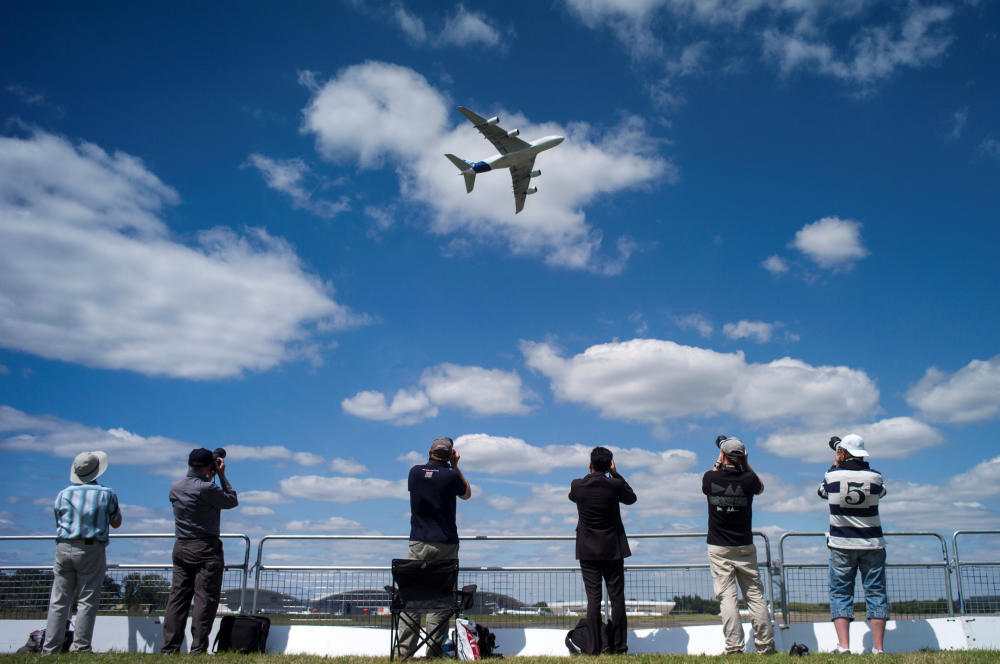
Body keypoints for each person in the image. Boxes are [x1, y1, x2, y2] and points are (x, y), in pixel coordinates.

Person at [396, 437, 472, 658]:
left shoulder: (415, 472)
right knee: (441, 597)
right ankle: (433, 650)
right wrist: (456, 466)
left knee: (413, 595)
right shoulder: (451, 476)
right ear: (451, 455)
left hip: (419, 540)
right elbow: (466, 493)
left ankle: (404, 651)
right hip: (446, 542)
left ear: (429, 452)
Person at [43, 451, 123, 654]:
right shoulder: (106, 494)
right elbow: (116, 522)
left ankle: (50, 647)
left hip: (63, 546)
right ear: (97, 471)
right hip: (91, 548)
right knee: (87, 599)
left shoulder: (63, 494)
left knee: (59, 601)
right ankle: (81, 647)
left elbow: (58, 521)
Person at [702, 437, 775, 655]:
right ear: (742, 457)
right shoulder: (748, 479)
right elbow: (760, 487)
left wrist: (719, 458)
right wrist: (745, 463)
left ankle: (734, 647)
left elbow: (709, 481)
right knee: (754, 595)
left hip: (718, 546)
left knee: (727, 597)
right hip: (744, 544)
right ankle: (766, 645)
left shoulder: (710, 477)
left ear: (723, 455)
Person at [161, 448, 238, 654]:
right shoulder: (207, 489)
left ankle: (170, 647)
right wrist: (221, 476)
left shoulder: (175, 487)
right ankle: (198, 648)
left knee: (178, 598)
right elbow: (231, 500)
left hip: (181, 545)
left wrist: (208, 476)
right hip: (205, 546)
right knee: (205, 598)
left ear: (189, 464)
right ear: (208, 467)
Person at [818, 434, 888, 654]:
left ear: (843, 453)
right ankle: (878, 649)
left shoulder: (832, 475)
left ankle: (844, 646)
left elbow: (822, 492)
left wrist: (836, 462)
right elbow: (882, 493)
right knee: (876, 592)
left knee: (841, 593)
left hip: (842, 543)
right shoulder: (876, 477)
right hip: (873, 544)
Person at [568, 446, 637, 654]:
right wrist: (615, 474)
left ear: (590, 464)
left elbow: (573, 497)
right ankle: (619, 646)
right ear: (610, 464)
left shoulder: (577, 485)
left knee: (593, 599)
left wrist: (592, 473)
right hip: (612, 549)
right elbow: (631, 498)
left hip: (587, 551)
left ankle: (593, 647)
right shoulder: (614, 485)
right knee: (617, 599)